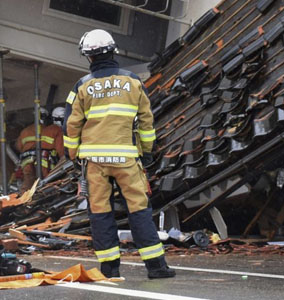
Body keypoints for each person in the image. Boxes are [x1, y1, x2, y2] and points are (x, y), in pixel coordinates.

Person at [64, 29, 174, 280]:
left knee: (100, 213)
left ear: (88, 57)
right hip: (126, 159)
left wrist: (74, 156)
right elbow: (147, 121)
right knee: (139, 210)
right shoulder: (133, 81)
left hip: (94, 162)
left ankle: (110, 269)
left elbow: (71, 126)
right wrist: (146, 153)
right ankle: (156, 267)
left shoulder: (82, 86)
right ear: (113, 52)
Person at [15, 108, 65, 189]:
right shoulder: (55, 130)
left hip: (26, 162)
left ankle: (24, 199)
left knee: (28, 185)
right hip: (44, 162)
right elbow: (61, 152)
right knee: (46, 185)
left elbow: (18, 147)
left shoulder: (25, 131)